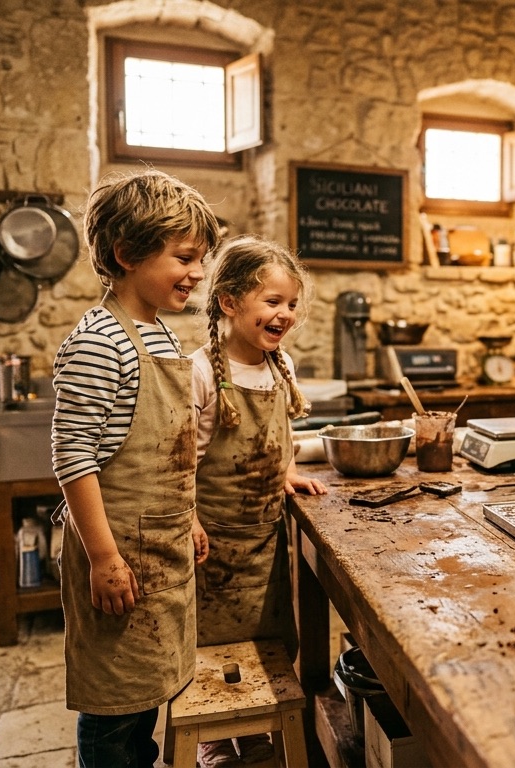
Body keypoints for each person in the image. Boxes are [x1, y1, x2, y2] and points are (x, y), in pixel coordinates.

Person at [52, 169, 221, 768]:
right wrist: (102, 557)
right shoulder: (100, 340)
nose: (198, 273)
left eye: (202, 259)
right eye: (184, 258)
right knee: (114, 713)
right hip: (119, 550)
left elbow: (173, 451)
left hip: (159, 548)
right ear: (127, 254)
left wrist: (189, 515)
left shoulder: (161, 336)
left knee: (145, 695)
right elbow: (73, 457)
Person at [191, 234, 327, 768]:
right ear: (228, 301)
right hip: (211, 548)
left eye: (291, 303)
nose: (285, 314)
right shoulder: (203, 372)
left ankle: (258, 729)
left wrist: (288, 471)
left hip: (264, 540)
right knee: (212, 651)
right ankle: (215, 738)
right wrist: (192, 521)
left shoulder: (280, 364)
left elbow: (280, 435)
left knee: (269, 640)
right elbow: (184, 461)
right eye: (272, 302)